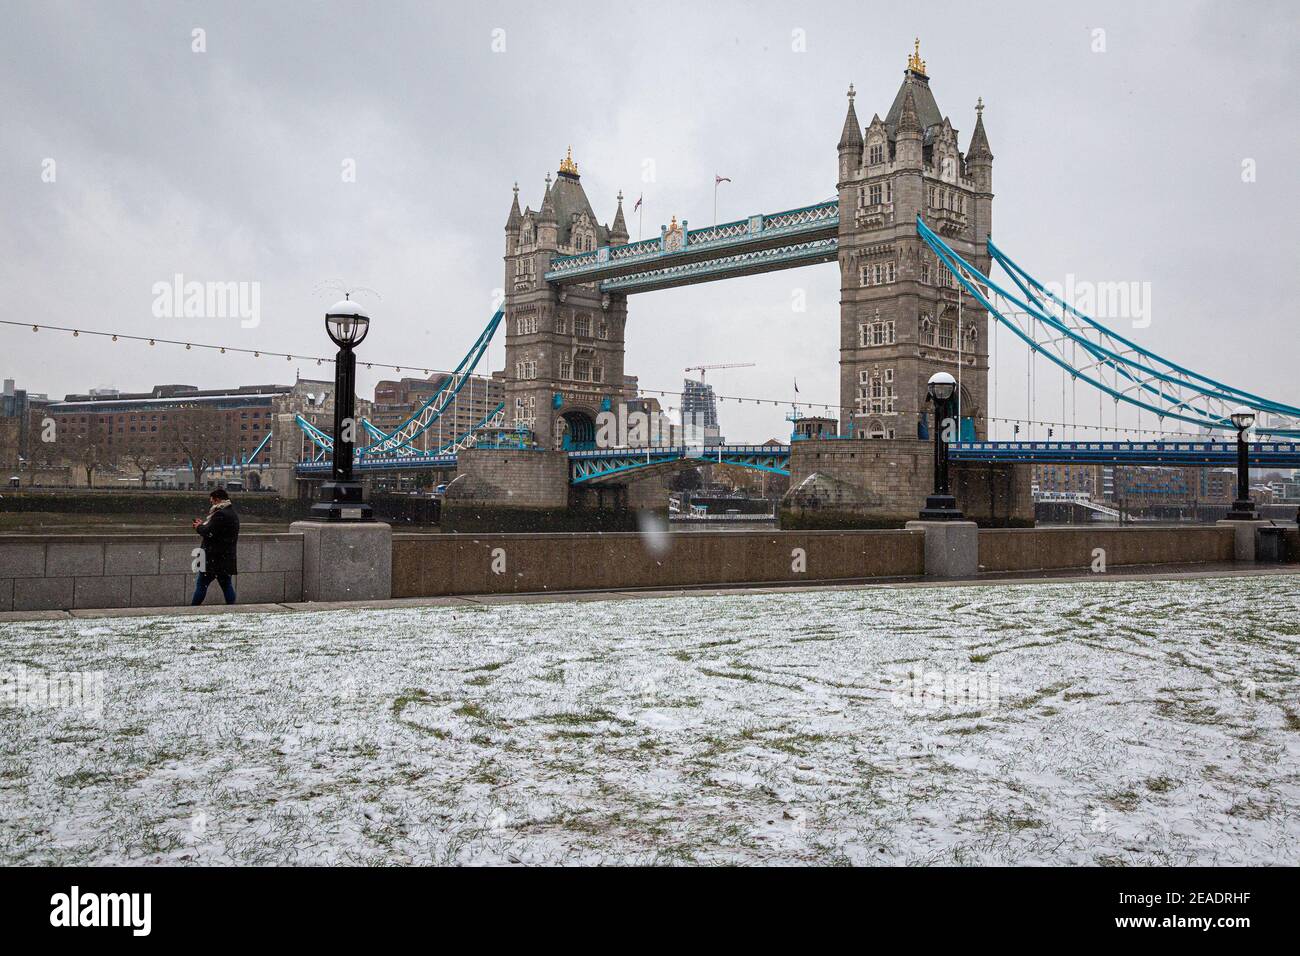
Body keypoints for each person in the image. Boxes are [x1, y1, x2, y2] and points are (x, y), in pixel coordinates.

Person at [191, 487, 239, 605]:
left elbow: (209, 532)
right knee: (226, 585)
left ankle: (193, 609)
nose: (211, 503)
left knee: (201, 584)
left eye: (211, 500)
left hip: (213, 558)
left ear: (217, 500)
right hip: (226, 557)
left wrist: (198, 527)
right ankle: (232, 609)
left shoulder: (220, 514)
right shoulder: (232, 513)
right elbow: (216, 530)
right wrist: (203, 525)